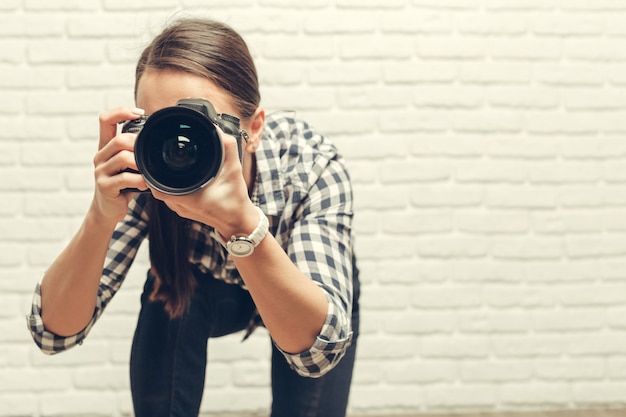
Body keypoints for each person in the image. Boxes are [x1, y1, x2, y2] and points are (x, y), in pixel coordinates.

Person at [26, 18, 360, 417]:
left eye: (201, 124)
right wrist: (102, 213)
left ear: (254, 129)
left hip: (299, 290)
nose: (179, 145)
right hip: (201, 288)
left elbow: (317, 355)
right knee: (167, 299)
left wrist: (242, 226)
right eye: (159, 126)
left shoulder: (310, 169)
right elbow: (53, 334)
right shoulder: (146, 172)